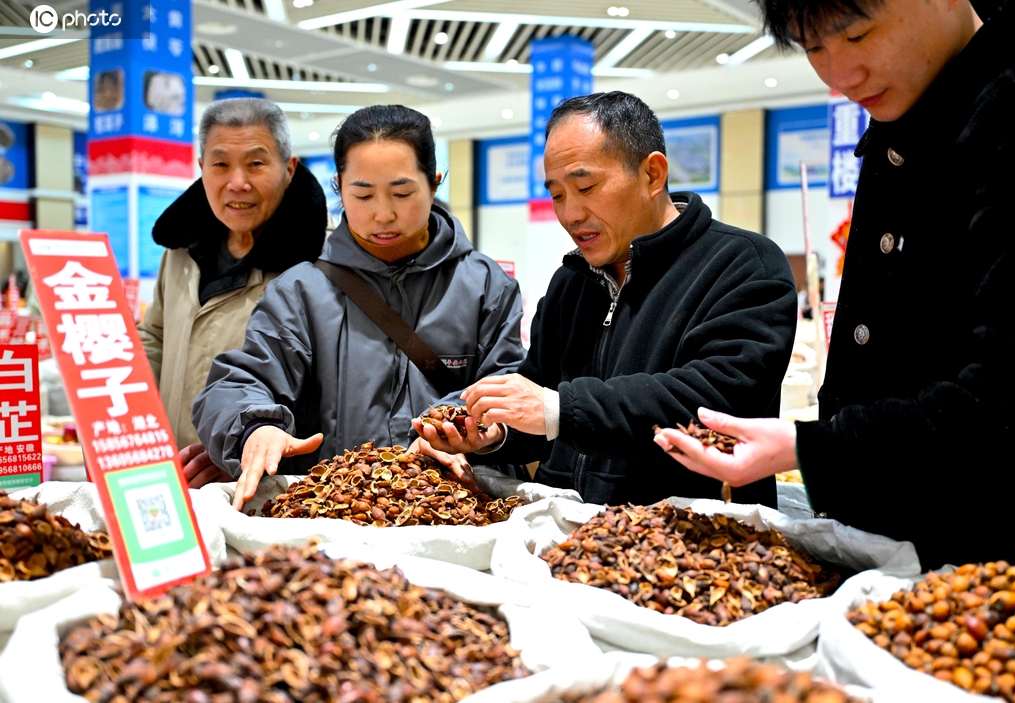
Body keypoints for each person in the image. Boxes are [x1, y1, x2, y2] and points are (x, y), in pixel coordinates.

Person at [655, 0, 1015, 569]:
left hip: (984, 554)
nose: (840, 76)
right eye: (814, 47)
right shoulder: (906, 112)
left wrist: (810, 448)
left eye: (858, 35)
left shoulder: (1008, 111)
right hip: (886, 545)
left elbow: (1004, 397)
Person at [415, 91, 798, 508]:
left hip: (693, 547)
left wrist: (558, 409)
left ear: (653, 174)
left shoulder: (742, 265)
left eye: (586, 186)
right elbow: (541, 399)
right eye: (557, 194)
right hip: (568, 538)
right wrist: (496, 434)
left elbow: (717, 402)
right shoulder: (571, 282)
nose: (570, 213)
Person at [192, 104, 526, 510]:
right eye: (362, 194)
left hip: (453, 505)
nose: (383, 214)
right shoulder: (300, 291)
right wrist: (255, 427)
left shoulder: (486, 286)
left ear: (434, 183)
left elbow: (508, 383)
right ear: (339, 185)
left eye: (402, 193)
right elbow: (238, 381)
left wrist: (460, 423)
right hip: (334, 517)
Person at [139, 98, 327, 488]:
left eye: (256, 164)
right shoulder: (180, 252)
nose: (237, 182)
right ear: (201, 169)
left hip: (261, 481)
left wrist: (237, 438)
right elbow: (154, 338)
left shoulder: (320, 266)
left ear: (289, 169)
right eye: (220, 164)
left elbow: (329, 382)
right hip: (171, 472)